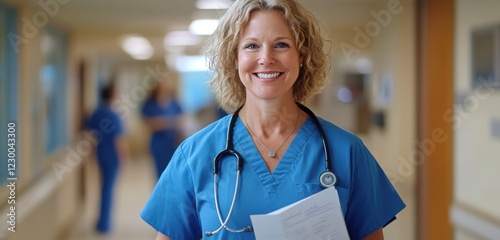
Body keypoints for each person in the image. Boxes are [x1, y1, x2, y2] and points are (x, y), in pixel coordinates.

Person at [141, 0, 405, 239]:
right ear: (235, 59)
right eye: (251, 46)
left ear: (301, 56)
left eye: (281, 45)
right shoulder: (194, 155)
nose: (266, 58)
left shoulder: (347, 151)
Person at [86, 82, 129, 233]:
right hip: (112, 157)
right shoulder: (113, 115)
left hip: (101, 154)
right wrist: (123, 157)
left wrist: (92, 153)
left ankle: (101, 221)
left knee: (103, 187)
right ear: (112, 95)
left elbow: (91, 135)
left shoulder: (96, 113)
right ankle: (104, 224)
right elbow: (119, 139)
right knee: (108, 189)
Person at [141, 76, 183, 179]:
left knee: (173, 172)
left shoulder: (174, 103)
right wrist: (170, 122)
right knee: (160, 173)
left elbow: (181, 121)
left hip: (173, 142)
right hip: (158, 143)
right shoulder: (150, 104)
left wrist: (161, 122)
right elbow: (149, 124)